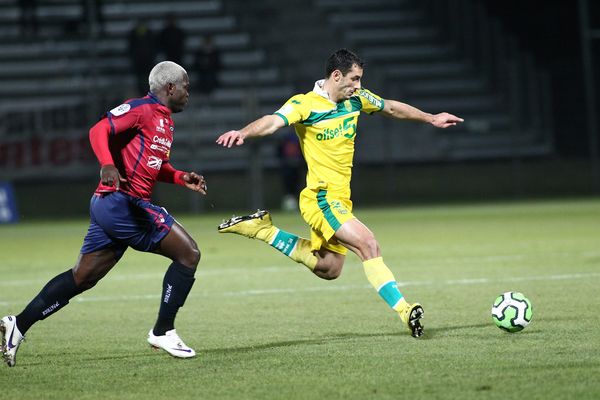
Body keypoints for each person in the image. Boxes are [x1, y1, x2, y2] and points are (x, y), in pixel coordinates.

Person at [215, 49, 463, 338]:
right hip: (321, 198)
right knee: (368, 244)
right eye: (354, 79)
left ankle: (262, 230)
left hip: (340, 199)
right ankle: (406, 310)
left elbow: (391, 107)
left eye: (360, 79)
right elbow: (272, 121)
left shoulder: (356, 100)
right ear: (336, 76)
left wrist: (430, 118)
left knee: (329, 268)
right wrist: (244, 132)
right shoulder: (304, 105)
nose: (358, 85)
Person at [0, 61, 207, 367]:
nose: (189, 92)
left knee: (82, 277)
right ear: (170, 87)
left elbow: (153, 166)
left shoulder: (165, 120)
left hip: (112, 205)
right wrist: (106, 163)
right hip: (123, 203)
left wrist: (179, 177)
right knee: (189, 254)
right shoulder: (140, 109)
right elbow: (99, 129)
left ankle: (17, 324)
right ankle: (163, 331)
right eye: (186, 86)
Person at [128, 20, 156, 96]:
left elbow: (153, 46)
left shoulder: (149, 33)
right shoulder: (133, 33)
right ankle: (141, 92)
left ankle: (148, 92)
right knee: (139, 78)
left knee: (148, 77)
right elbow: (131, 47)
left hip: (148, 60)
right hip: (138, 60)